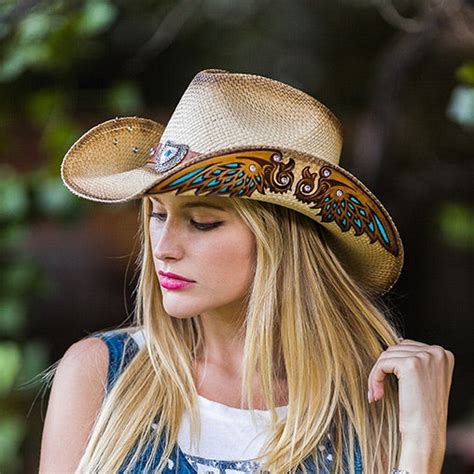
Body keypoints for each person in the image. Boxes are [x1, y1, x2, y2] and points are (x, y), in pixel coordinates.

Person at [39, 69, 454, 473]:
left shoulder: (370, 397)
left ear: (283, 243)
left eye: (202, 222)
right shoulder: (103, 375)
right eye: (159, 215)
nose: (163, 249)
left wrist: (423, 443)